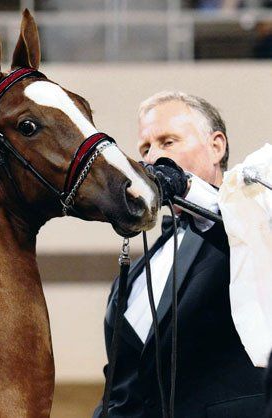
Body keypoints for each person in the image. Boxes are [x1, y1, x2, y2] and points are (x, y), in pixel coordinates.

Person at [93, 91, 266, 418]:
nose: (152, 158)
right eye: (145, 148)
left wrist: (186, 187)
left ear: (216, 147)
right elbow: (121, 392)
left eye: (168, 142)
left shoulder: (255, 225)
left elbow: (243, 236)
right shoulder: (137, 272)